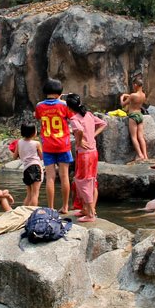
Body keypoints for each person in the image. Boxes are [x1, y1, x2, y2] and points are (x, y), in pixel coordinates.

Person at [35, 78, 75, 211]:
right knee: (64, 176)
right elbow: (72, 116)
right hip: (63, 145)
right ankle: (65, 207)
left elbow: (38, 117)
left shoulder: (39, 106)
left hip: (47, 146)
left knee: (50, 177)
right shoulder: (64, 105)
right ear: (60, 92)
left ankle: (51, 208)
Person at [66, 95, 106, 223]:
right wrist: (92, 136)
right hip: (93, 152)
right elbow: (103, 123)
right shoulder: (88, 114)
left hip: (85, 155)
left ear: (69, 107)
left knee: (83, 182)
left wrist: (79, 140)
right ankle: (87, 209)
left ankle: (90, 214)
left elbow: (79, 129)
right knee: (91, 181)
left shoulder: (74, 118)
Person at [9, 122, 44, 207]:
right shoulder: (36, 143)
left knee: (29, 194)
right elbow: (42, 157)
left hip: (26, 169)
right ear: (33, 132)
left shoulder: (19, 142)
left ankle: (24, 212)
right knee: (35, 194)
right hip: (35, 167)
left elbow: (14, 157)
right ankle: (32, 213)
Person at [120, 75, 149, 161]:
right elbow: (134, 99)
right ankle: (145, 155)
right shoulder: (143, 95)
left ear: (135, 85)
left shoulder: (133, 95)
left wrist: (122, 98)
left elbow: (123, 104)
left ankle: (140, 155)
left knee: (134, 137)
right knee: (141, 136)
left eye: (133, 85)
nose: (133, 86)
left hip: (133, 116)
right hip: (140, 115)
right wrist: (129, 96)